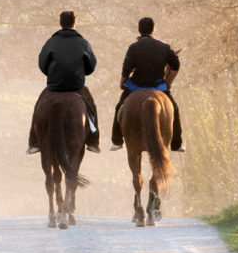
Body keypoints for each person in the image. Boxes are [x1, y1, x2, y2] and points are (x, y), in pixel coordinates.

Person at [27, 10, 100, 154]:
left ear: (60, 22)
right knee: (91, 108)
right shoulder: (83, 43)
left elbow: (42, 65)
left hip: (54, 86)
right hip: (76, 86)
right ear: (75, 22)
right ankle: (93, 141)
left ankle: (34, 142)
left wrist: (53, 74)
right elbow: (91, 67)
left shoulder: (51, 42)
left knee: (38, 108)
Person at [110, 17, 184, 152]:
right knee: (174, 108)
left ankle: (117, 140)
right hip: (158, 87)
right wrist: (168, 83)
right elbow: (176, 65)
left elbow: (126, 69)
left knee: (119, 107)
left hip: (137, 86)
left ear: (139, 30)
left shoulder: (133, 47)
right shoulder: (164, 47)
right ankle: (177, 143)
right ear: (153, 30)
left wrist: (122, 83)